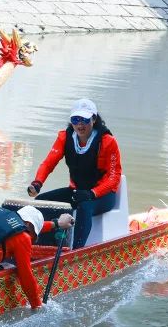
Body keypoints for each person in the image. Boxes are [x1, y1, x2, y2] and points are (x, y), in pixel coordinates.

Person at [28, 99, 123, 248]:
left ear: (94, 119)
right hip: (77, 191)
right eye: (75, 119)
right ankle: (44, 247)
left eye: (85, 120)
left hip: (103, 196)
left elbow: (114, 178)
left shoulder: (108, 142)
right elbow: (48, 163)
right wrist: (37, 183)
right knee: (41, 201)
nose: (80, 125)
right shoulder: (65, 137)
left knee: (84, 206)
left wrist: (92, 193)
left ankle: (77, 252)